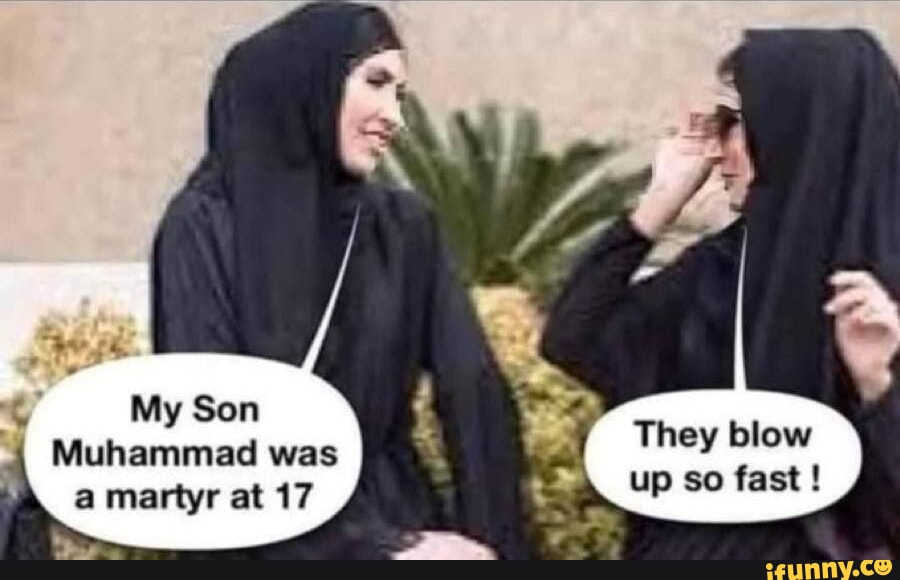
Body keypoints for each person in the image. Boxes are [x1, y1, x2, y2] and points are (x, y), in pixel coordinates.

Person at [151, 2, 529, 560]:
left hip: (399, 521)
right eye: (375, 82)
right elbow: (211, 426)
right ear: (308, 82)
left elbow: (474, 392)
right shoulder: (204, 225)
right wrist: (375, 547)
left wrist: (493, 544)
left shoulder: (403, 227)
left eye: (400, 96)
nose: (394, 117)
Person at [541, 29, 900, 560]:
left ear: (794, 131)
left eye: (732, 123)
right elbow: (574, 340)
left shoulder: (881, 294)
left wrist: (877, 388)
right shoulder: (720, 268)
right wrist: (659, 204)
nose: (716, 148)